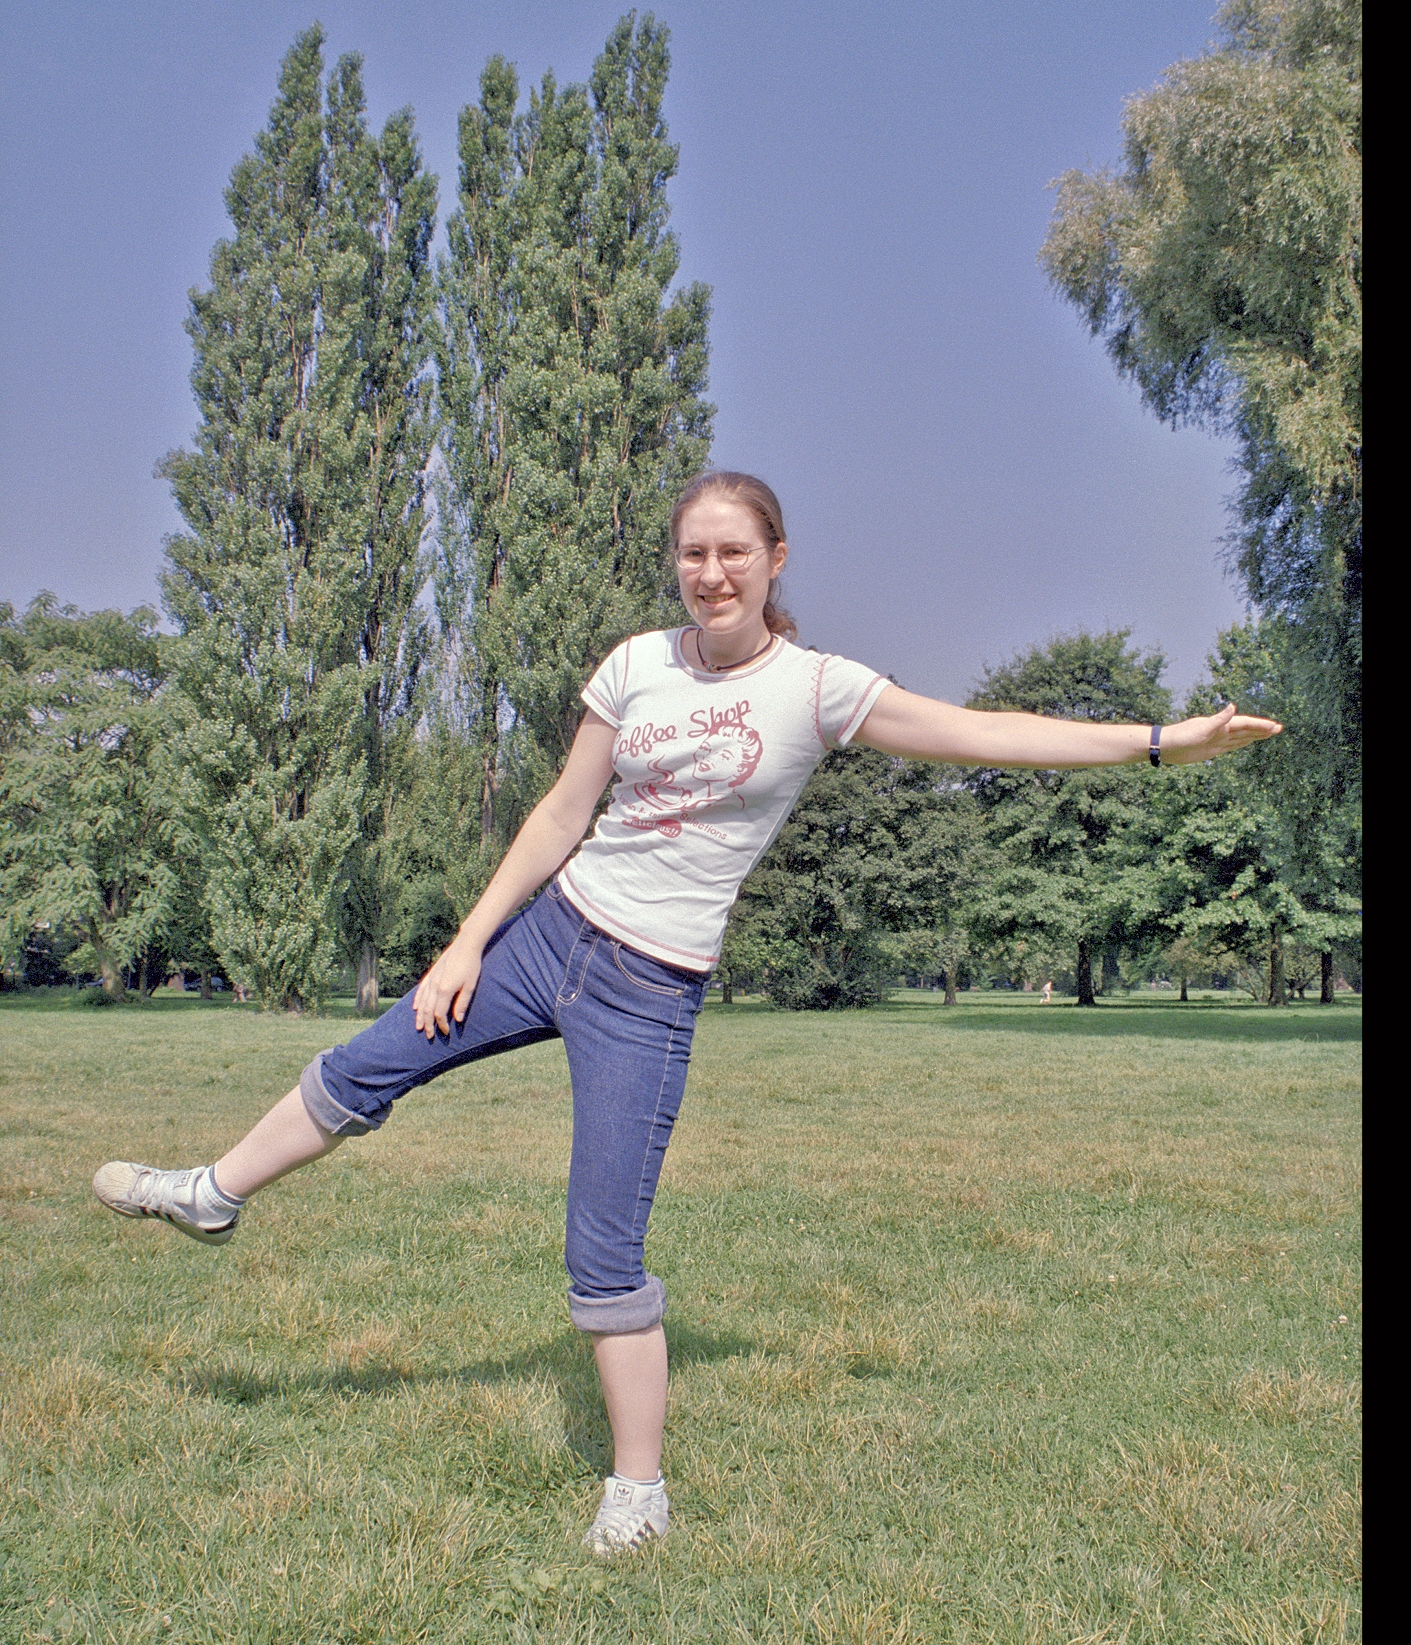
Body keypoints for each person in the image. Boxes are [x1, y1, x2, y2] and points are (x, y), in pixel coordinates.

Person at [93, 470, 1281, 1555]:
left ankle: (637, 1489)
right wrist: (465, 943)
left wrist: (1164, 743)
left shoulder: (819, 690)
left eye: (733, 553)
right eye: (692, 554)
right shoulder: (636, 665)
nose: (711, 573)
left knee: (600, 1246)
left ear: (775, 558)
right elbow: (560, 814)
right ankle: (213, 1195)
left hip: (648, 988)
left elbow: (987, 735)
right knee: (369, 1061)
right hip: (546, 934)